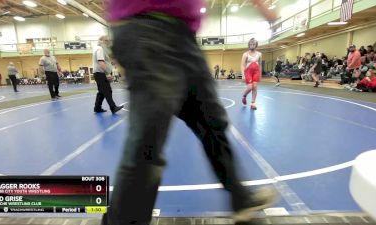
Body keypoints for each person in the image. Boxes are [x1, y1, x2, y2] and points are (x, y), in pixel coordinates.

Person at [101, 1, 278, 225]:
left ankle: (241, 200)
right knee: (148, 140)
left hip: (185, 36)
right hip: (145, 29)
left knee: (213, 124)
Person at [92, 35, 123, 114]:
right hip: (101, 73)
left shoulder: (98, 49)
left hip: (98, 73)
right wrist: (107, 74)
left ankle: (97, 107)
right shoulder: (100, 49)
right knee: (107, 90)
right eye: (106, 41)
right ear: (101, 41)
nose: (107, 43)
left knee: (101, 91)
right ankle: (113, 107)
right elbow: (101, 62)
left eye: (108, 41)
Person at [241, 38, 262, 110]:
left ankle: (253, 103)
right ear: (249, 45)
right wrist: (243, 75)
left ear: (256, 45)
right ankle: (244, 96)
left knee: (255, 87)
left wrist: (260, 74)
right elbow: (242, 65)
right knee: (250, 87)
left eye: (253, 44)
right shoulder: (245, 54)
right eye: (250, 44)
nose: (252, 45)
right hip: (248, 72)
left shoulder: (259, 54)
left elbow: (260, 65)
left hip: (256, 72)